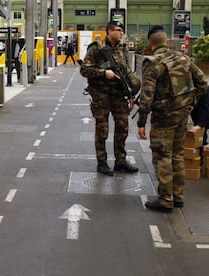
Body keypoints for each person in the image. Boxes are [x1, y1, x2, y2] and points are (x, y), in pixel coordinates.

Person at [137, 26, 207, 213]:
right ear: (166, 41)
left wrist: (141, 122)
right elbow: (202, 82)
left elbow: (147, 96)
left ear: (151, 44)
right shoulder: (183, 58)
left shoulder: (152, 62)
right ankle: (178, 196)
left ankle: (165, 200)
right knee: (177, 155)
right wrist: (191, 103)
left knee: (162, 156)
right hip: (183, 114)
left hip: (163, 117)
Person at [80, 21, 139, 176]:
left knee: (122, 128)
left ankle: (120, 161)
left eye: (122, 30)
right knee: (102, 129)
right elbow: (84, 70)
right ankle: (102, 162)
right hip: (101, 95)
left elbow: (126, 73)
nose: (121, 33)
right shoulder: (96, 48)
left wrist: (130, 95)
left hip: (119, 95)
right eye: (118, 30)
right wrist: (103, 73)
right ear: (109, 31)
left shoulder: (122, 49)